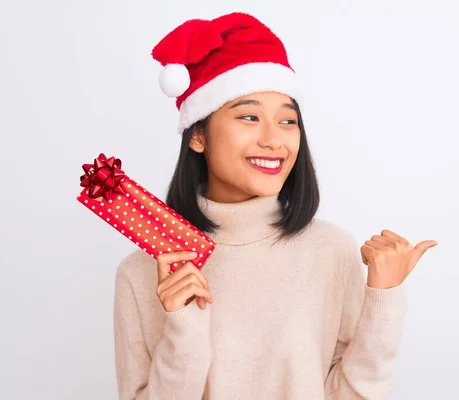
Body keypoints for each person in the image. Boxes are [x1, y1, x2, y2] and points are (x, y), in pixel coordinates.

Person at [113, 11, 438, 400]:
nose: (274, 140)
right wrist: (183, 327)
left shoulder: (331, 251)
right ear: (198, 135)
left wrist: (383, 299)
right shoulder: (142, 271)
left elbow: (350, 393)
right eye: (249, 117)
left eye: (288, 121)